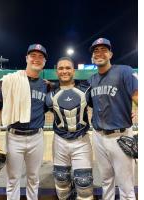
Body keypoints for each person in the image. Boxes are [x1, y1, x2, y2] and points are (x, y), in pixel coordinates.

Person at [0, 43, 49, 200]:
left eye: (40, 56)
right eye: (33, 55)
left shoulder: (46, 86)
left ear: (44, 62)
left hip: (37, 137)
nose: (36, 59)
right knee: (13, 179)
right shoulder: (10, 81)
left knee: (34, 178)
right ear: (26, 58)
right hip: (14, 137)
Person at [88, 38, 138, 200]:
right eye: (96, 51)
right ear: (93, 57)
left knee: (126, 186)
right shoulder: (92, 79)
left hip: (120, 136)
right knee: (106, 181)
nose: (99, 53)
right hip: (98, 136)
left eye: (104, 49)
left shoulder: (124, 71)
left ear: (111, 54)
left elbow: (138, 96)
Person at [46, 57, 94, 200]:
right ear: (56, 72)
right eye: (61, 68)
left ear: (73, 70)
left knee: (84, 185)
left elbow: (104, 105)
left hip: (81, 141)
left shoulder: (87, 89)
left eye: (68, 68)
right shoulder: (50, 94)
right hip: (60, 141)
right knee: (61, 183)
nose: (64, 71)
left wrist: (127, 111)